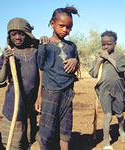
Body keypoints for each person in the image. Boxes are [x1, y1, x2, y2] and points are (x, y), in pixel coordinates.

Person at [0, 17, 48, 150]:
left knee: (28, 139)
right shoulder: (8, 53)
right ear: (9, 36)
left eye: (21, 33)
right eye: (13, 34)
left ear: (28, 34)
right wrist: (7, 61)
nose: (17, 37)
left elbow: (42, 72)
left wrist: (44, 40)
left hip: (31, 104)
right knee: (14, 142)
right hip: (13, 105)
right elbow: (0, 79)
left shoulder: (35, 52)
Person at [35, 6, 79, 150]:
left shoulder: (71, 46)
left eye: (69, 27)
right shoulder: (45, 44)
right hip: (50, 91)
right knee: (46, 129)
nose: (65, 30)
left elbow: (77, 66)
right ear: (52, 23)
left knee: (66, 127)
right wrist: (39, 95)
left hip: (68, 92)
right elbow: (40, 69)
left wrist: (75, 61)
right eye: (62, 26)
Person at [89, 30, 125, 150]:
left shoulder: (120, 56)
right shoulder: (99, 58)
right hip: (104, 90)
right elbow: (94, 74)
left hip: (118, 89)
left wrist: (108, 58)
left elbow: (121, 69)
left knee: (120, 114)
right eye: (103, 44)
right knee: (108, 115)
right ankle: (106, 142)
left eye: (109, 44)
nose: (105, 47)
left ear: (115, 44)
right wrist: (99, 62)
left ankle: (121, 130)